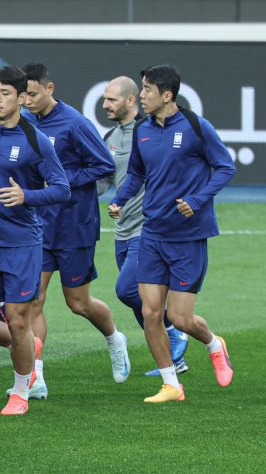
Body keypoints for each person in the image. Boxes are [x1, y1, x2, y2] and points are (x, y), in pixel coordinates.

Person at [109, 64, 235, 402]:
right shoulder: (142, 131)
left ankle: (213, 343)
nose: (142, 95)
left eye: (148, 90)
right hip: (152, 234)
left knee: (179, 317)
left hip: (189, 236)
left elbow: (225, 167)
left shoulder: (196, 126)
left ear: (167, 95)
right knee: (151, 313)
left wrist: (197, 200)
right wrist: (119, 199)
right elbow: (136, 174)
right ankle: (171, 385)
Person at [0, 66, 71, 415]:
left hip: (22, 244)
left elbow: (61, 188)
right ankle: (29, 346)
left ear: (21, 99)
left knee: (17, 319)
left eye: (4, 93)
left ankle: (20, 391)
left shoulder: (34, 139)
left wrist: (26, 196)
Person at [22, 62, 130, 396]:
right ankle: (35, 375)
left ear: (49, 88)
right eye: (23, 95)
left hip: (74, 225)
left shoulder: (75, 124)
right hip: (38, 226)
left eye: (33, 94)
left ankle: (114, 339)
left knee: (78, 303)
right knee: (33, 301)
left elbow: (103, 166)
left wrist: (61, 181)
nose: (27, 101)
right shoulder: (24, 123)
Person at [99, 76, 190, 376]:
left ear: (131, 100)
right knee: (141, 300)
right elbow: (102, 180)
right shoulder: (110, 137)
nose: (105, 105)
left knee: (127, 290)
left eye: (111, 99)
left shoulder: (150, 132)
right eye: (104, 99)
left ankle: (175, 330)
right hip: (122, 231)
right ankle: (173, 361)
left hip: (148, 229)